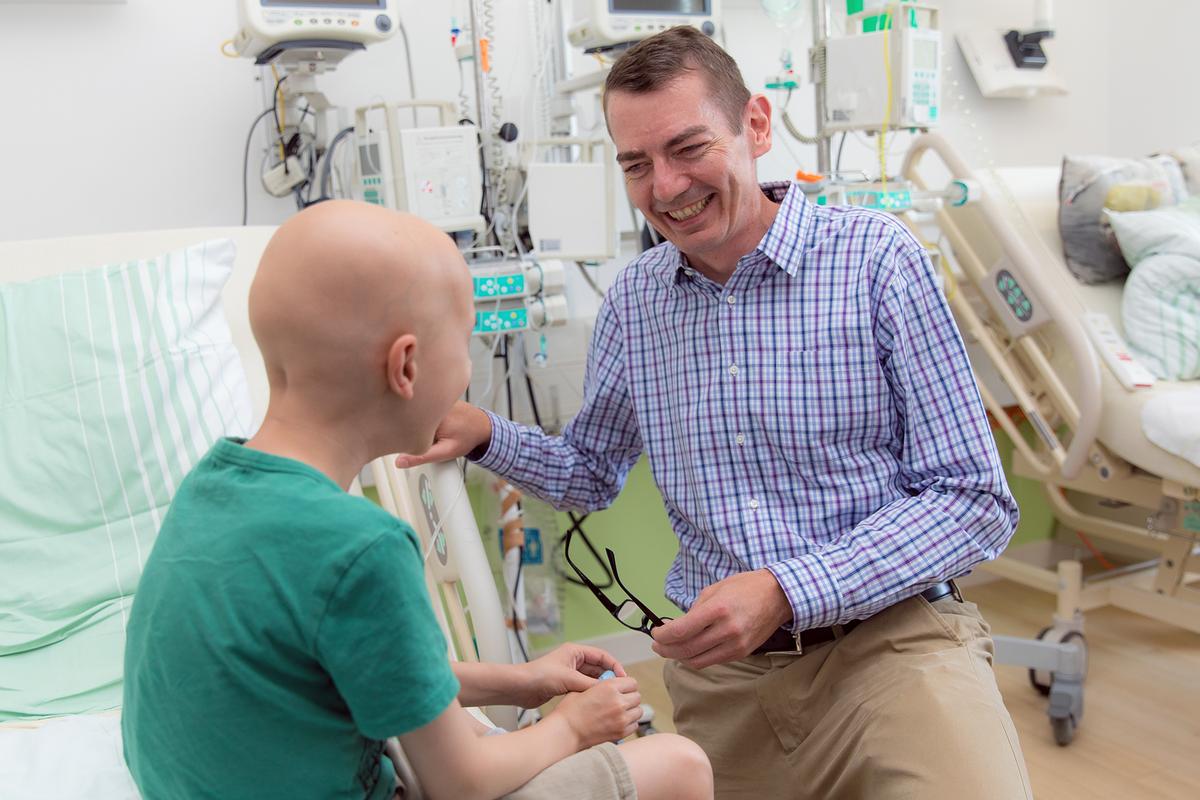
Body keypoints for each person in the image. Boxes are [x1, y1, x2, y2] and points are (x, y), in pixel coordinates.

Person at [396, 26, 1032, 800]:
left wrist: (787, 589)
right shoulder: (635, 302)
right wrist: (485, 433)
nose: (665, 187)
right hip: (728, 684)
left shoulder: (877, 262)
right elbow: (591, 472)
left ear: (755, 125)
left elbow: (973, 501)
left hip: (892, 646)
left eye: (687, 148)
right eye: (637, 164)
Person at [121, 201, 713, 800]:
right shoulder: (362, 547)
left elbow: (374, 671)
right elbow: (460, 784)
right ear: (405, 366)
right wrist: (570, 726)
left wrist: (521, 680)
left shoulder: (209, 487)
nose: (464, 374)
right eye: (463, 345)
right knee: (680, 764)